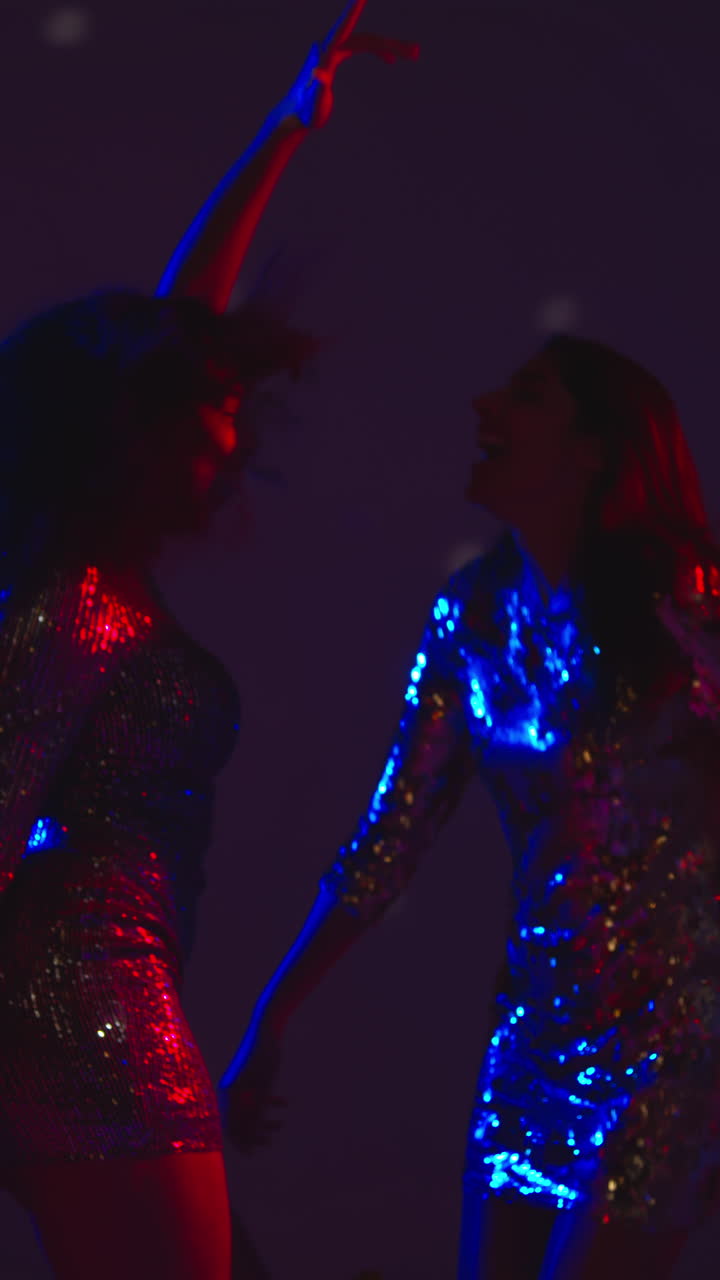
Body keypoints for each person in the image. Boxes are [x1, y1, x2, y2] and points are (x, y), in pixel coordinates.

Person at [0, 5, 418, 1278]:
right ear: (133, 423)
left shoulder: (96, 575)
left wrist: (283, 130)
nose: (234, 437)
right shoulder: (69, 595)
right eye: (212, 409)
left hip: (109, 998)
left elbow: (181, 325)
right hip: (87, 1010)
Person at [222, 335, 720, 1279]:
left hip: (676, 1050)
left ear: (593, 449)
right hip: (535, 1040)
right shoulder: (474, 618)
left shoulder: (688, 611)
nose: (484, 408)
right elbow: (392, 834)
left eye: (526, 396)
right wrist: (273, 1016)